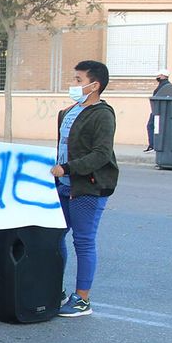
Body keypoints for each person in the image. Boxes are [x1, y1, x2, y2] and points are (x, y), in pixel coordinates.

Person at [50, 60, 120, 317]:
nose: (74, 85)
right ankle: (54, 287)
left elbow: (101, 154)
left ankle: (82, 299)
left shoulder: (102, 114)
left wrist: (67, 168)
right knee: (55, 237)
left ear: (95, 85)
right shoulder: (71, 111)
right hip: (64, 186)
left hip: (88, 187)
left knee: (83, 241)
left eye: (79, 80)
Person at [146, 70, 172, 152]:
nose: (157, 77)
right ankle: (156, 145)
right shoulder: (169, 86)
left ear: (162, 76)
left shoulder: (163, 87)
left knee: (151, 126)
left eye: (158, 75)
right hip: (164, 112)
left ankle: (153, 145)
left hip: (158, 111)